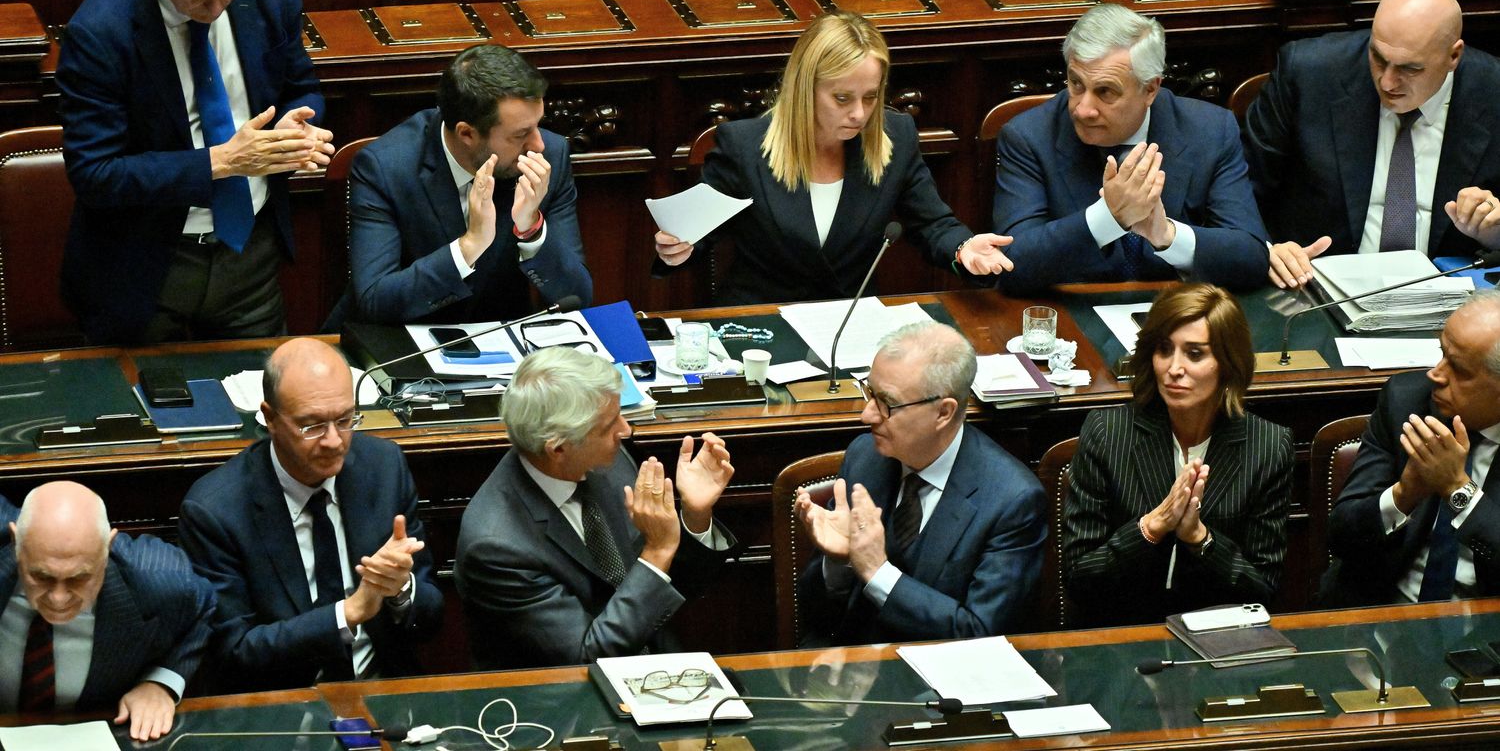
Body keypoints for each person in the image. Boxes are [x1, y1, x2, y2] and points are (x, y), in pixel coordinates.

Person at [56, 0, 333, 344]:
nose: (217, 6)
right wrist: (223, 161)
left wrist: (295, 126)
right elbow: (95, 174)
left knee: (265, 399)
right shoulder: (101, 32)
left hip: (250, 258)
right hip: (148, 269)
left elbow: (301, 85)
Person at [654, 12, 1014, 305]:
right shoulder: (744, 147)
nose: (859, 114)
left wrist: (964, 247)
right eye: (842, 98)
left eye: (870, 97)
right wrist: (679, 248)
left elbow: (933, 224)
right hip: (762, 323)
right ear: (804, 90)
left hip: (849, 325)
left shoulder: (895, 137)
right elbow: (699, 233)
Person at [177, 339, 442, 691]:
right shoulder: (216, 511)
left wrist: (400, 591)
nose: (334, 441)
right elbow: (234, 650)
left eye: (346, 419)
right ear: (270, 418)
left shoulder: (384, 468)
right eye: (312, 425)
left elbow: (432, 615)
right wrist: (348, 613)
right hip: (281, 708)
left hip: (383, 688)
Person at [454, 347, 738, 669]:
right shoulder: (497, 546)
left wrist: (694, 516)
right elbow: (586, 658)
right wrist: (658, 550)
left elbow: (667, 586)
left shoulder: (607, 465)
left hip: (657, 666)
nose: (626, 430)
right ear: (558, 447)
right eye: (608, 426)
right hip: (566, 704)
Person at [992, 4, 1269, 293]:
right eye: (1076, 84)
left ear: (1150, 89)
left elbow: (1251, 258)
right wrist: (1108, 217)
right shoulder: (1029, 136)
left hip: (1175, 311)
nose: (1083, 109)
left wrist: (1168, 237)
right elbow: (1012, 265)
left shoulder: (1210, 130)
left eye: (1105, 92)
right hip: (1072, 315)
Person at [796, 322, 1045, 643]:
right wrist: (839, 564)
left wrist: (877, 572)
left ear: (943, 412)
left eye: (887, 403)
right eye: (870, 392)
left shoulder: (1012, 500)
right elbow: (816, 616)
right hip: (847, 669)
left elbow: (980, 633)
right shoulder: (866, 456)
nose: (867, 415)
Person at [1244, 0, 1500, 289]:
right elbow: (1240, 188)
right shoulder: (1309, 74)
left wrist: (1494, 231)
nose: (1388, 82)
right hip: (1313, 291)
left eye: (1410, 68)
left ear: (1453, 56)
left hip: (1451, 300)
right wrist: (1268, 248)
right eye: (1378, 58)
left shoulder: (1493, 93)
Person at [1063, 283, 1292, 627]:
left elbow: (1263, 590)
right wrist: (1151, 528)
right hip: (1121, 636)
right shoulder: (1108, 433)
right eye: (1164, 350)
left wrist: (1199, 539)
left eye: (1195, 354)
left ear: (1228, 365)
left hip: (1217, 641)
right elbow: (1079, 578)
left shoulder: (1268, 446)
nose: (1173, 368)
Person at [335, 42, 591, 327]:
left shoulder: (549, 157)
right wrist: (469, 245)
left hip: (503, 344)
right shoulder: (386, 167)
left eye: (537, 125)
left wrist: (531, 229)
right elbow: (376, 301)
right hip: (402, 345)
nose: (538, 144)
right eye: (520, 134)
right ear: (467, 134)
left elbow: (576, 297)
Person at [1323, 291, 1500, 606]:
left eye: (1458, 369)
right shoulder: (1408, 403)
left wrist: (1459, 490)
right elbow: (1341, 537)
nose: (1436, 373)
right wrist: (1404, 494)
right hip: (1380, 616)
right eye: (1441, 352)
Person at [0, 482, 214, 741]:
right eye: (40, 576)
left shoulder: (161, 579)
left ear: (108, 548)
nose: (59, 598)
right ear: (15, 542)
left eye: (79, 578)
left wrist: (160, 683)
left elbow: (204, 609)